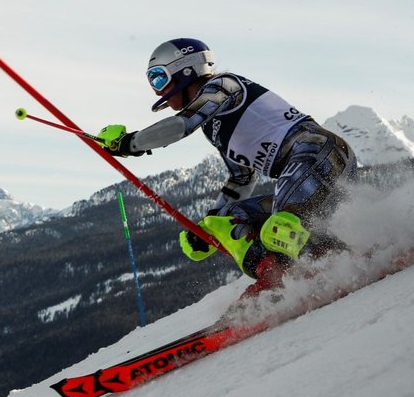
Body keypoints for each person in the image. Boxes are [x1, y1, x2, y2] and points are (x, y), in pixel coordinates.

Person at [98, 38, 357, 287]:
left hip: (319, 155)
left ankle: (348, 264)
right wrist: (209, 227)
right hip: (304, 177)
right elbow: (241, 178)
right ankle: (276, 275)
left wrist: (129, 143)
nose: (157, 90)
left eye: (159, 77)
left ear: (185, 70)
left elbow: (182, 125)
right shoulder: (214, 127)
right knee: (227, 219)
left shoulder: (224, 86)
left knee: (279, 228)